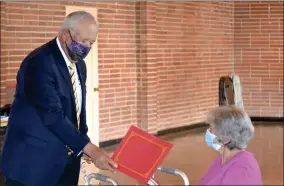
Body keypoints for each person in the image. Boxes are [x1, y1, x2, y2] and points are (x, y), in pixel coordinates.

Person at [0, 11, 117, 186]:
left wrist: (82, 142)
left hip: (65, 161)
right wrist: (91, 149)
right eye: (83, 41)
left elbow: (77, 110)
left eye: (91, 42)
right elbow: (52, 115)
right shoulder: (39, 62)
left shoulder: (80, 66)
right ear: (65, 35)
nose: (87, 48)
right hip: (32, 164)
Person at [199, 105, 263, 185]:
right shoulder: (220, 159)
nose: (208, 132)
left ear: (226, 138)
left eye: (211, 129)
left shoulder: (243, 168)